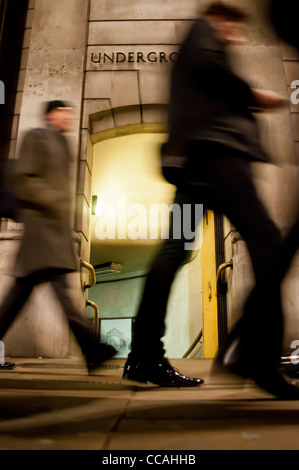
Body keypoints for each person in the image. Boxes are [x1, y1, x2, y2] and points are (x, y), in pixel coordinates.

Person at [123, 1, 299, 397]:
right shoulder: (203, 33)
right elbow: (211, 71)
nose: (235, 36)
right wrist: (252, 94)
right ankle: (257, 355)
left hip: (195, 171)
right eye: (234, 28)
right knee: (269, 245)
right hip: (219, 163)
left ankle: (145, 354)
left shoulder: (196, 43)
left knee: (173, 251)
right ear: (222, 18)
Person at [0, 100, 117, 372]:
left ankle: (92, 350)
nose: (69, 118)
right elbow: (24, 179)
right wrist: (53, 201)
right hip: (41, 232)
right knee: (54, 296)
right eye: (64, 112)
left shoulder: (62, 145)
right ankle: (93, 350)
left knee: (24, 296)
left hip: (53, 234)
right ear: (52, 114)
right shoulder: (37, 137)